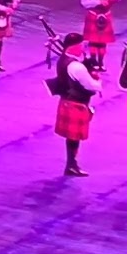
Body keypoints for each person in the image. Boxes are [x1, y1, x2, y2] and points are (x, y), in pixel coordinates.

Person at [50, 32, 102, 177]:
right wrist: (97, 80)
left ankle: (71, 164)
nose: (83, 48)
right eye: (81, 45)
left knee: (71, 138)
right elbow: (92, 86)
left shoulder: (63, 60)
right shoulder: (76, 67)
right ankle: (72, 164)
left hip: (66, 101)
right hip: (76, 103)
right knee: (74, 138)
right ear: (74, 46)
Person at [78, 0, 120, 71]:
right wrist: (99, 1)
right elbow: (84, 2)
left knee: (103, 42)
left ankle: (101, 63)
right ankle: (93, 62)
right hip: (94, 14)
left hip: (106, 15)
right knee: (93, 41)